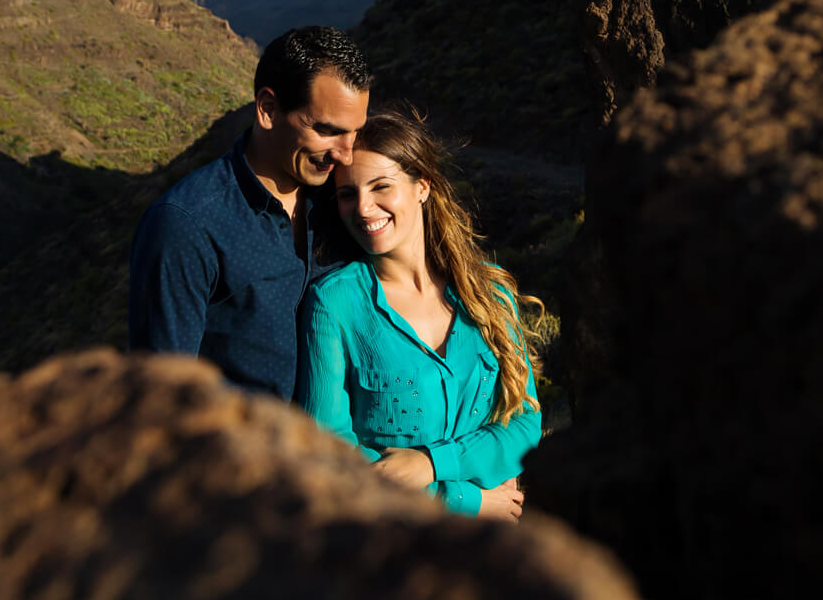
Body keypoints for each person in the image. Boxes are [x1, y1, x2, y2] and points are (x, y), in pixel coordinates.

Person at [296, 110, 542, 522]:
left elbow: (524, 426)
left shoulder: (491, 296)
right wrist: (468, 502)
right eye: (346, 194)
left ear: (422, 186)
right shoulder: (333, 305)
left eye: (381, 186)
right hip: (394, 552)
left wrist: (430, 463)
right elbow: (330, 454)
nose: (363, 207)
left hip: (496, 554)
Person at [127, 26, 371, 399]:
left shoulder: (348, 201)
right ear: (268, 110)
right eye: (326, 130)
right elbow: (163, 395)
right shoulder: (186, 224)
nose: (345, 154)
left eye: (354, 133)